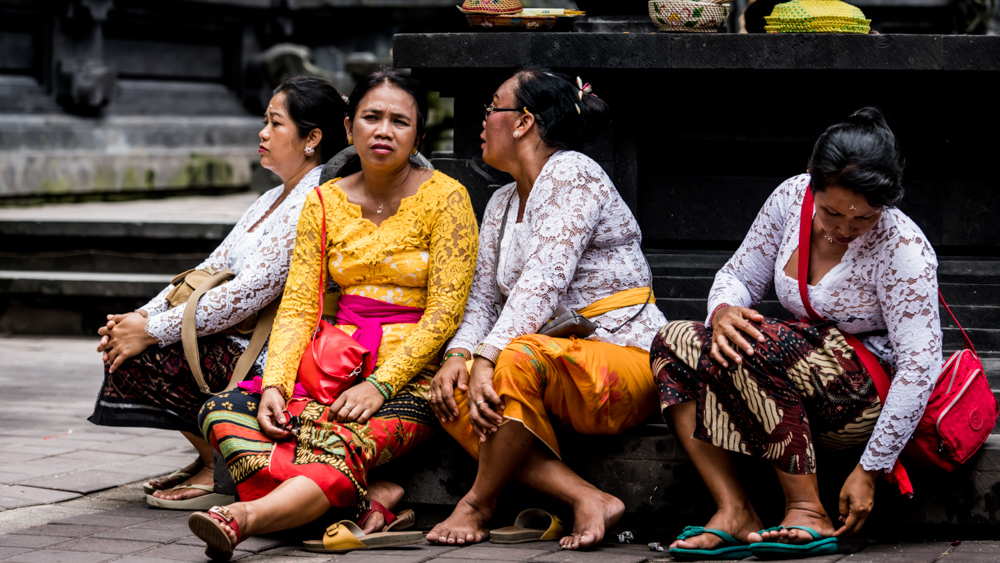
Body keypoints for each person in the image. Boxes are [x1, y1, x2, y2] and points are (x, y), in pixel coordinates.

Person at [190, 69, 478, 559]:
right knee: (222, 412)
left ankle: (243, 518)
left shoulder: (447, 198)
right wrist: (276, 384)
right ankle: (373, 498)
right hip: (331, 365)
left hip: (412, 376)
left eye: (399, 121)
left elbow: (446, 313)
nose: (383, 130)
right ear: (348, 127)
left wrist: (380, 386)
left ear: (418, 136)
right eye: (371, 117)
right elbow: (299, 306)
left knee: (337, 441)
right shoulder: (324, 201)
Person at [651, 108, 941, 560]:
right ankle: (735, 510)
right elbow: (738, 275)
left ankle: (808, 510)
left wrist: (872, 467)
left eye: (862, 219)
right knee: (673, 341)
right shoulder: (790, 198)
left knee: (756, 342)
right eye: (832, 212)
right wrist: (723, 311)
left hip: (864, 397)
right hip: (791, 374)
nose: (844, 229)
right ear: (812, 182)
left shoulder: (903, 246)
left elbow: (919, 367)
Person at [425, 69, 667, 550]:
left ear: (523, 122)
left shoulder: (574, 173)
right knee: (448, 387)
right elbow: (483, 300)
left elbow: (544, 281)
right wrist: (460, 355)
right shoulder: (501, 201)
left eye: (492, 107)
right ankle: (587, 496)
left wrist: (487, 358)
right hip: (551, 361)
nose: (482, 119)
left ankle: (478, 503)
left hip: (624, 358)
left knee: (512, 360)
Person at [89, 76, 349, 509]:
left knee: (146, 354)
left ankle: (218, 465)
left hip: (272, 352)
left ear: (312, 139)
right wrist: (137, 318)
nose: (262, 133)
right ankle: (207, 454)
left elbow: (247, 294)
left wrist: (151, 332)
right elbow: (209, 268)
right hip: (237, 334)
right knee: (128, 344)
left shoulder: (314, 198)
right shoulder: (272, 197)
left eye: (275, 123)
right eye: (265, 121)